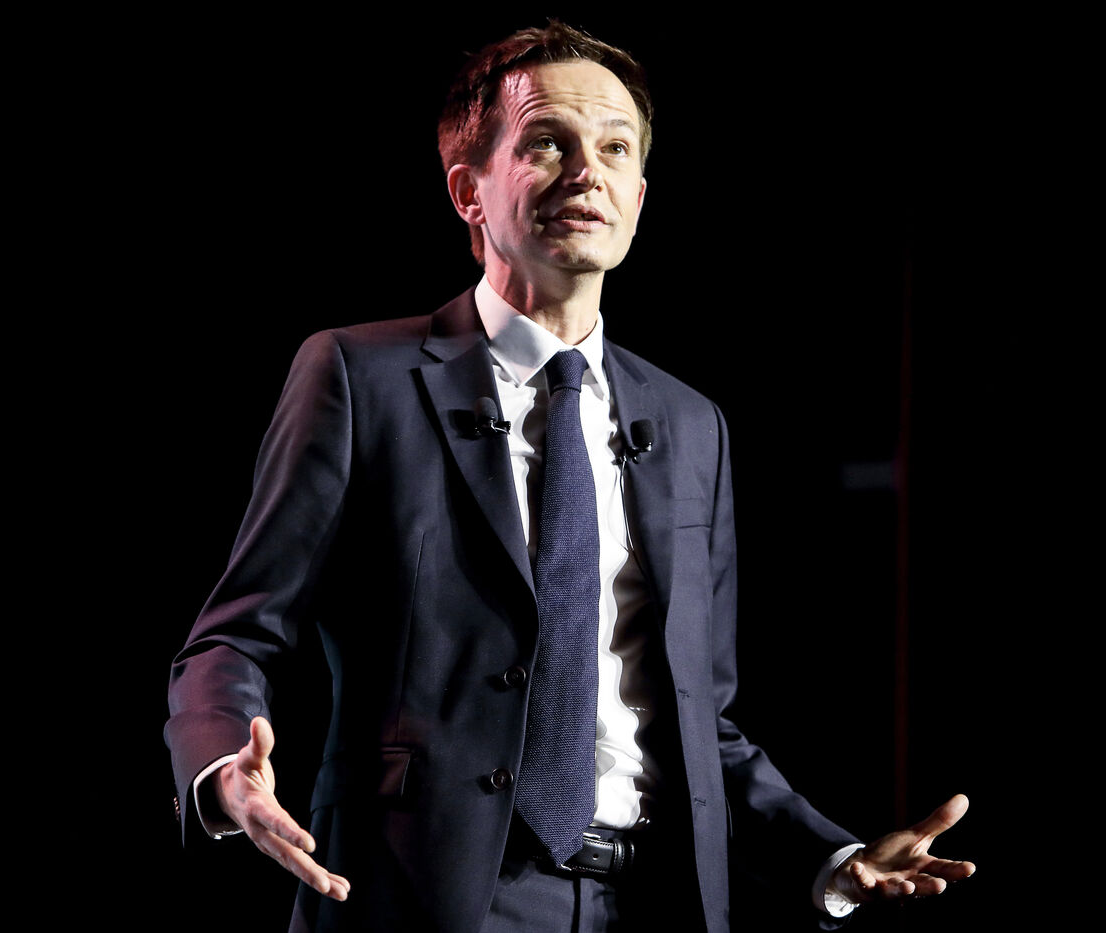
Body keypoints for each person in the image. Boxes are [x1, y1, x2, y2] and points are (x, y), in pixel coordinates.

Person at [165, 22, 974, 932]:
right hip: (428, 893)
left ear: (639, 195)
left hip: (653, 901)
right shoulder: (360, 377)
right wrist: (224, 768)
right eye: (549, 142)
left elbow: (703, 723)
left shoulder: (690, 424)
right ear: (469, 191)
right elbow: (235, 636)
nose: (588, 171)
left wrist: (833, 857)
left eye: (616, 149)